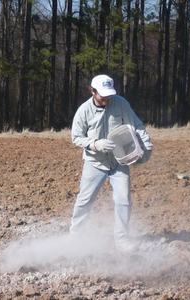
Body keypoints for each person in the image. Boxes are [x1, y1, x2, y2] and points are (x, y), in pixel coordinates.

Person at [70, 74, 153, 252]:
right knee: (85, 201)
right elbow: (76, 137)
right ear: (92, 91)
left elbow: (136, 124)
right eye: (102, 94)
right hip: (95, 163)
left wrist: (146, 144)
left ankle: (122, 241)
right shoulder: (84, 111)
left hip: (119, 161)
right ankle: (75, 238)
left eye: (109, 94)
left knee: (123, 201)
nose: (107, 98)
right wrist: (94, 144)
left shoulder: (120, 103)